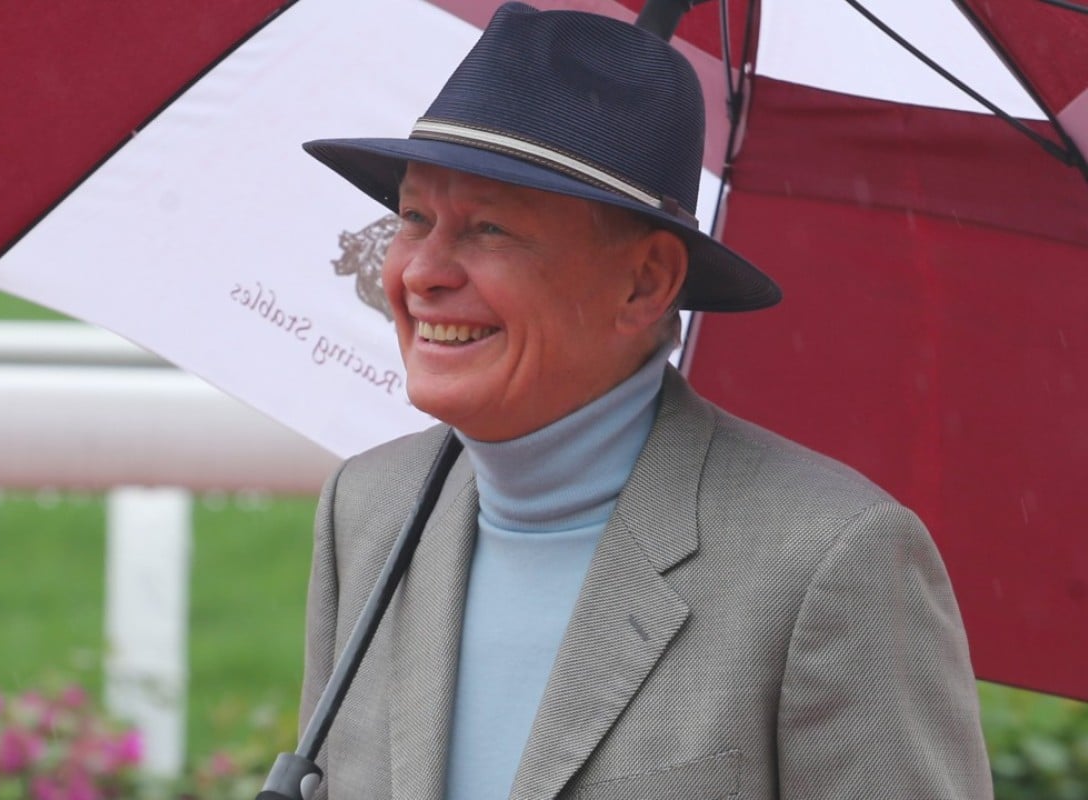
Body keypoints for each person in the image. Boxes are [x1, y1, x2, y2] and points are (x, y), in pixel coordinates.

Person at [297, 3, 992, 798]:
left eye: (488, 228)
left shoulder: (828, 561)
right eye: (416, 217)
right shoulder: (367, 512)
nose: (421, 272)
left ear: (646, 282)